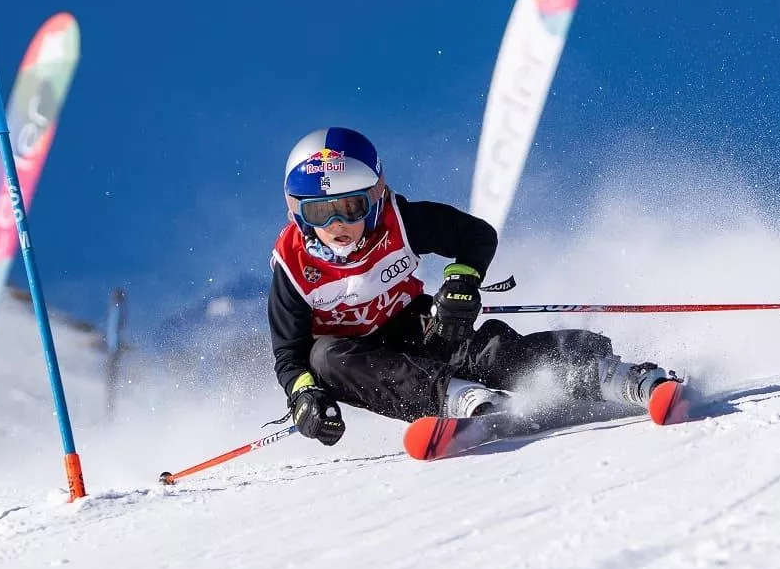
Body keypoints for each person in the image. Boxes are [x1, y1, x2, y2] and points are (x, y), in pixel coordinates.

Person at [268, 127, 682, 445]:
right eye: (319, 212)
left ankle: (614, 376)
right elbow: (289, 355)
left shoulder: (402, 222)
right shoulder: (292, 266)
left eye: (348, 207)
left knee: (487, 349)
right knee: (323, 358)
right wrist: (305, 397)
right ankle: (461, 399)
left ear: (373, 198)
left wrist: (461, 281)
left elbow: (476, 236)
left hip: (414, 323)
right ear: (299, 214)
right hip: (357, 360)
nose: (335, 224)